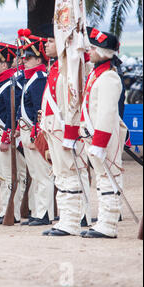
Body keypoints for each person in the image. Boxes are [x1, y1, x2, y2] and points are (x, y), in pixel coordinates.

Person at [40, 24, 91, 237]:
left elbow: (73, 102)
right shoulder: (56, 67)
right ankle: (65, 219)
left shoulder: (71, 68)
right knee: (60, 176)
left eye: (51, 40)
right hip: (54, 128)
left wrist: (70, 131)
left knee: (70, 174)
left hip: (65, 128)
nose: (46, 44)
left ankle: (71, 222)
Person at [79, 27, 127, 239]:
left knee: (109, 178)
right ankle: (104, 222)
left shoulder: (109, 77)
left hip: (104, 137)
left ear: (103, 52)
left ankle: (108, 225)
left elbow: (107, 114)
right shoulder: (97, 74)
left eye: (93, 48)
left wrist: (98, 143)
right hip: (97, 136)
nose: (90, 51)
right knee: (102, 178)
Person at [16, 31, 55, 226]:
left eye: (29, 57)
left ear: (39, 58)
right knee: (35, 174)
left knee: (42, 174)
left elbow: (40, 111)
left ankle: (45, 213)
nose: (25, 60)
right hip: (26, 130)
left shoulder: (39, 78)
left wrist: (35, 135)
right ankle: (39, 211)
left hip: (34, 131)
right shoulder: (30, 77)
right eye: (24, 57)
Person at [0, 36, 26, 225]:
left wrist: (6, 136)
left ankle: (12, 212)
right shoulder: (0, 84)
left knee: (9, 176)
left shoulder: (11, 85)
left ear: (4, 64)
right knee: (4, 176)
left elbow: (14, 113)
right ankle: (5, 211)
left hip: (4, 135)